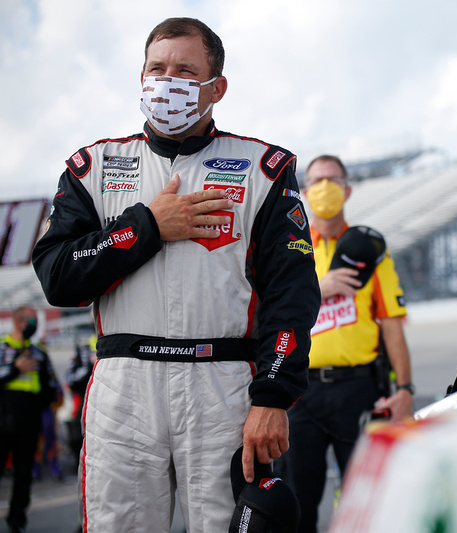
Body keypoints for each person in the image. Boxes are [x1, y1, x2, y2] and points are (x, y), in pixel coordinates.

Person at [31, 17, 320, 533]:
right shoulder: (92, 167)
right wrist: (145, 226)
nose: (167, 82)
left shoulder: (265, 169)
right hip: (124, 389)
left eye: (185, 71)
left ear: (217, 88)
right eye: (156, 69)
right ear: (141, 78)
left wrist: (273, 396)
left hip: (223, 388)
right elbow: (58, 277)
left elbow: (291, 296)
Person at [273, 155, 414, 532]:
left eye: (333, 180)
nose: (324, 188)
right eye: (316, 180)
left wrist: (405, 389)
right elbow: (268, 313)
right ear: (304, 192)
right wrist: (319, 289)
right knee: (296, 502)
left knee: (366, 500)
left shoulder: (370, 250)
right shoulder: (289, 247)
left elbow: (391, 323)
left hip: (359, 391)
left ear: (348, 190)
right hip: (300, 393)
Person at [0, 306, 60, 533]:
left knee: (24, 474)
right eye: (32, 320)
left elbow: (51, 387)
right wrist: (15, 369)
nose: (34, 325)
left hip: (29, 422)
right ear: (19, 321)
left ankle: (16, 521)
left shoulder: (39, 352)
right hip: (2, 420)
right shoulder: (2, 346)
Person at [63, 336, 97, 471]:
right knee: (78, 435)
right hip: (83, 402)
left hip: (110, 404)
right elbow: (69, 379)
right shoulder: (82, 349)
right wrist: (90, 365)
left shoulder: (119, 343)